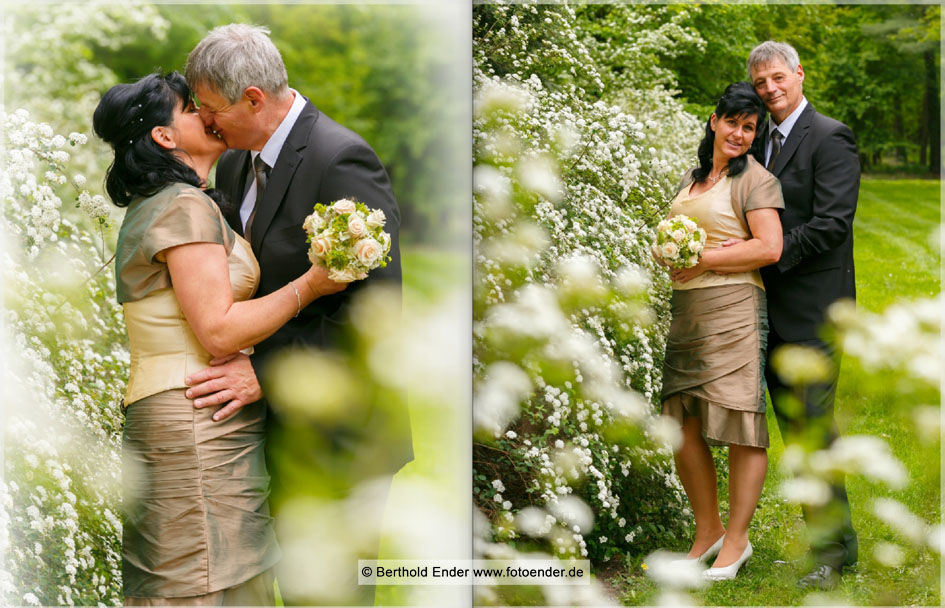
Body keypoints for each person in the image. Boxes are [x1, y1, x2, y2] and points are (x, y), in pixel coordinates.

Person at [93, 72, 346, 605]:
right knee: (200, 582)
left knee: (220, 577)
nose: (209, 116)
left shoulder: (170, 200)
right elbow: (217, 329)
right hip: (194, 418)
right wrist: (314, 284)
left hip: (198, 412)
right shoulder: (181, 206)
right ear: (165, 136)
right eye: (192, 108)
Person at [181, 24, 413, 605]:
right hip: (275, 429)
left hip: (344, 432)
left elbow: (376, 313)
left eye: (211, 110)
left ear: (253, 99)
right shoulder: (237, 165)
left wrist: (265, 371)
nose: (206, 123)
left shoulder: (341, 160)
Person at [658, 81, 784, 581]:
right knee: (681, 423)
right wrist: (665, 253)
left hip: (733, 309)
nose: (738, 133)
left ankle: (736, 542)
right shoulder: (693, 181)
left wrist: (700, 258)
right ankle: (706, 531)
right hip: (687, 311)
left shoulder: (755, 179)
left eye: (749, 127)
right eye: (731, 122)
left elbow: (768, 247)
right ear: (714, 121)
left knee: (739, 423)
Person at [747, 40, 859, 590]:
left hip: (815, 310)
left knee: (812, 428)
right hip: (769, 308)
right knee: (799, 428)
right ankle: (843, 540)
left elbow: (834, 223)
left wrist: (769, 252)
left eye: (777, 78)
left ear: (799, 74)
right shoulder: (760, 139)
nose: (770, 89)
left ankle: (829, 554)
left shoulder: (831, 136)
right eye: (761, 81)